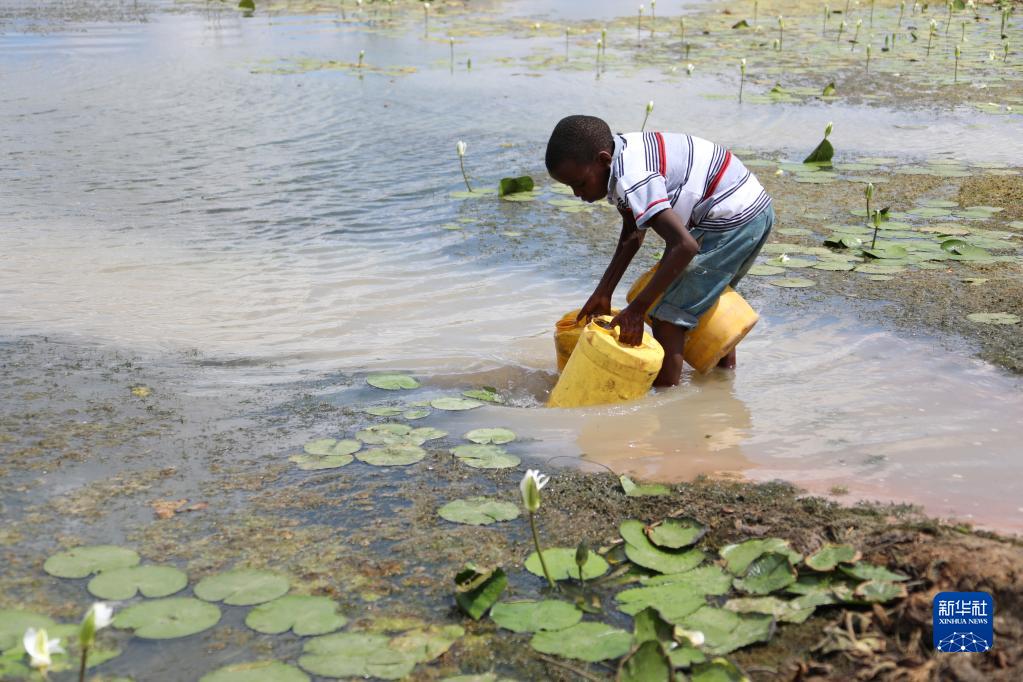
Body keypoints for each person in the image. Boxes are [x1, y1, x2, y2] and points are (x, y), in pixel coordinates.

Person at [545, 114, 774, 386]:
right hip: (749, 208)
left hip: (733, 218)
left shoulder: (631, 176)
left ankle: (666, 399)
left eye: (580, 183)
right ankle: (723, 382)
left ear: (603, 160)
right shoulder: (621, 157)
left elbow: (684, 245)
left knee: (666, 315)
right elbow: (633, 233)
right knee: (703, 300)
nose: (577, 194)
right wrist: (604, 291)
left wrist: (636, 310)